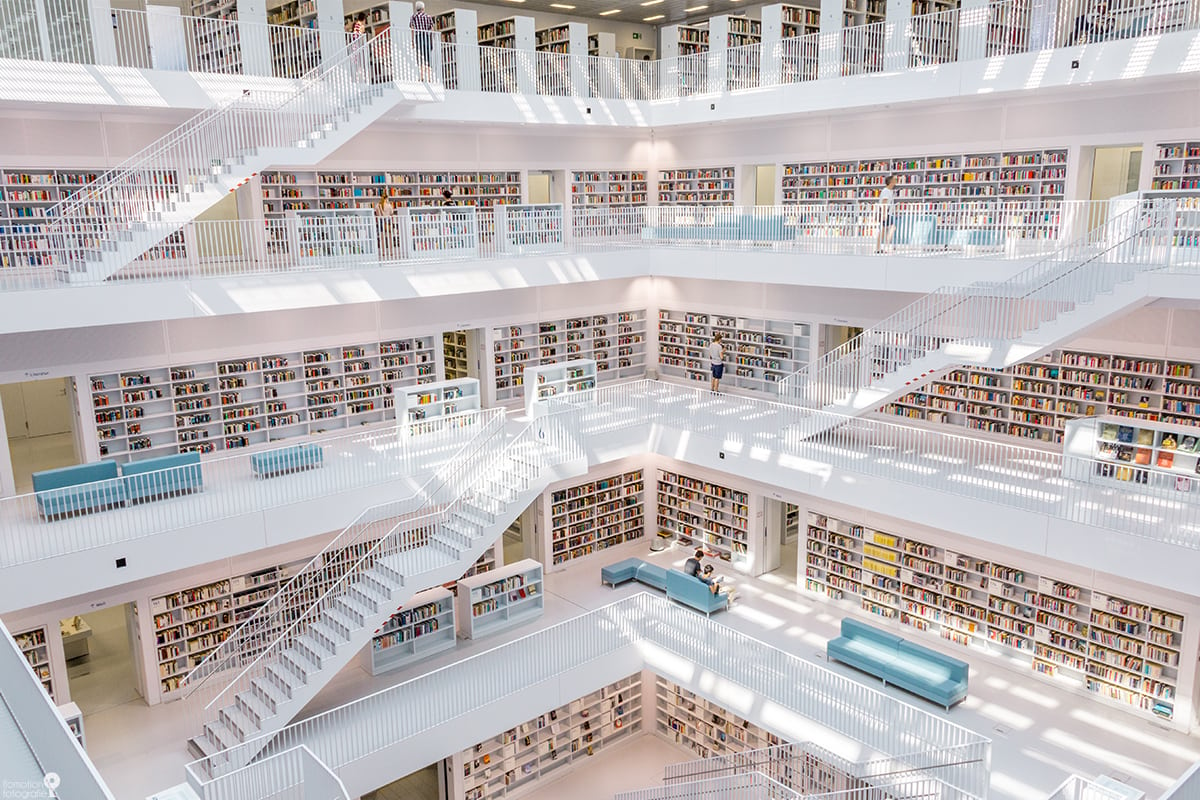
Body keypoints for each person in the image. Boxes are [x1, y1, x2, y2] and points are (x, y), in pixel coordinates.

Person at [410, 1, 435, 79]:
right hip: (426, 36)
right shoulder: (428, 17)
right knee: (427, 56)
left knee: (420, 56)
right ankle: (429, 76)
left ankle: (422, 76)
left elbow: (412, 29)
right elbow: (432, 29)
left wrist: (413, 41)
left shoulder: (413, 17)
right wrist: (432, 40)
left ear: (416, 8)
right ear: (423, 8)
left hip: (418, 36)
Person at [874, 174, 897, 253]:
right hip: (885, 213)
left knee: (885, 230)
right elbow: (884, 202)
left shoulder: (890, 191)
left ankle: (880, 248)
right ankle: (882, 247)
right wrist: (884, 214)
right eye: (894, 180)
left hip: (887, 213)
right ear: (891, 182)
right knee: (888, 229)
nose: (896, 182)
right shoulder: (886, 191)